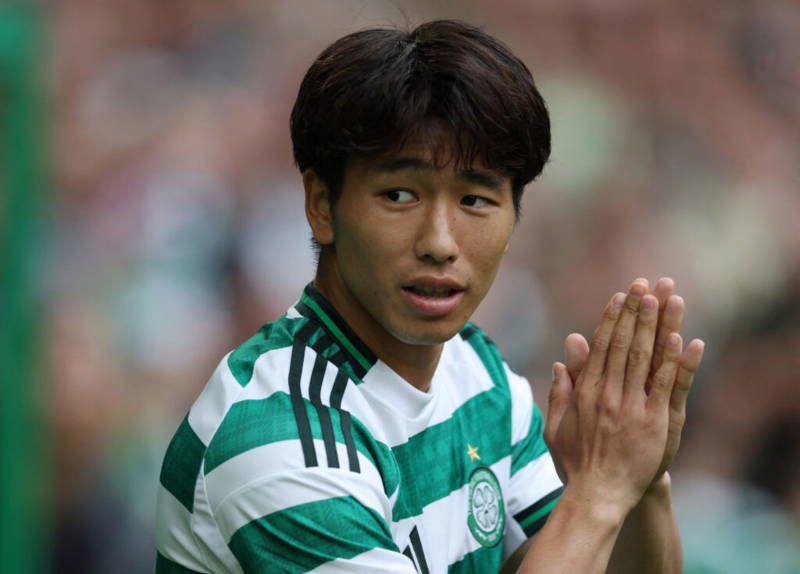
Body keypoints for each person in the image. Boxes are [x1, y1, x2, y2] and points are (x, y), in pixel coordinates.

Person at [155, 19, 705, 573]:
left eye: (474, 200)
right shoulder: (278, 440)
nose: (440, 243)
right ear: (321, 205)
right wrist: (602, 489)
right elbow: (589, 518)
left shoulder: (480, 375)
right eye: (400, 194)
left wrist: (640, 474)